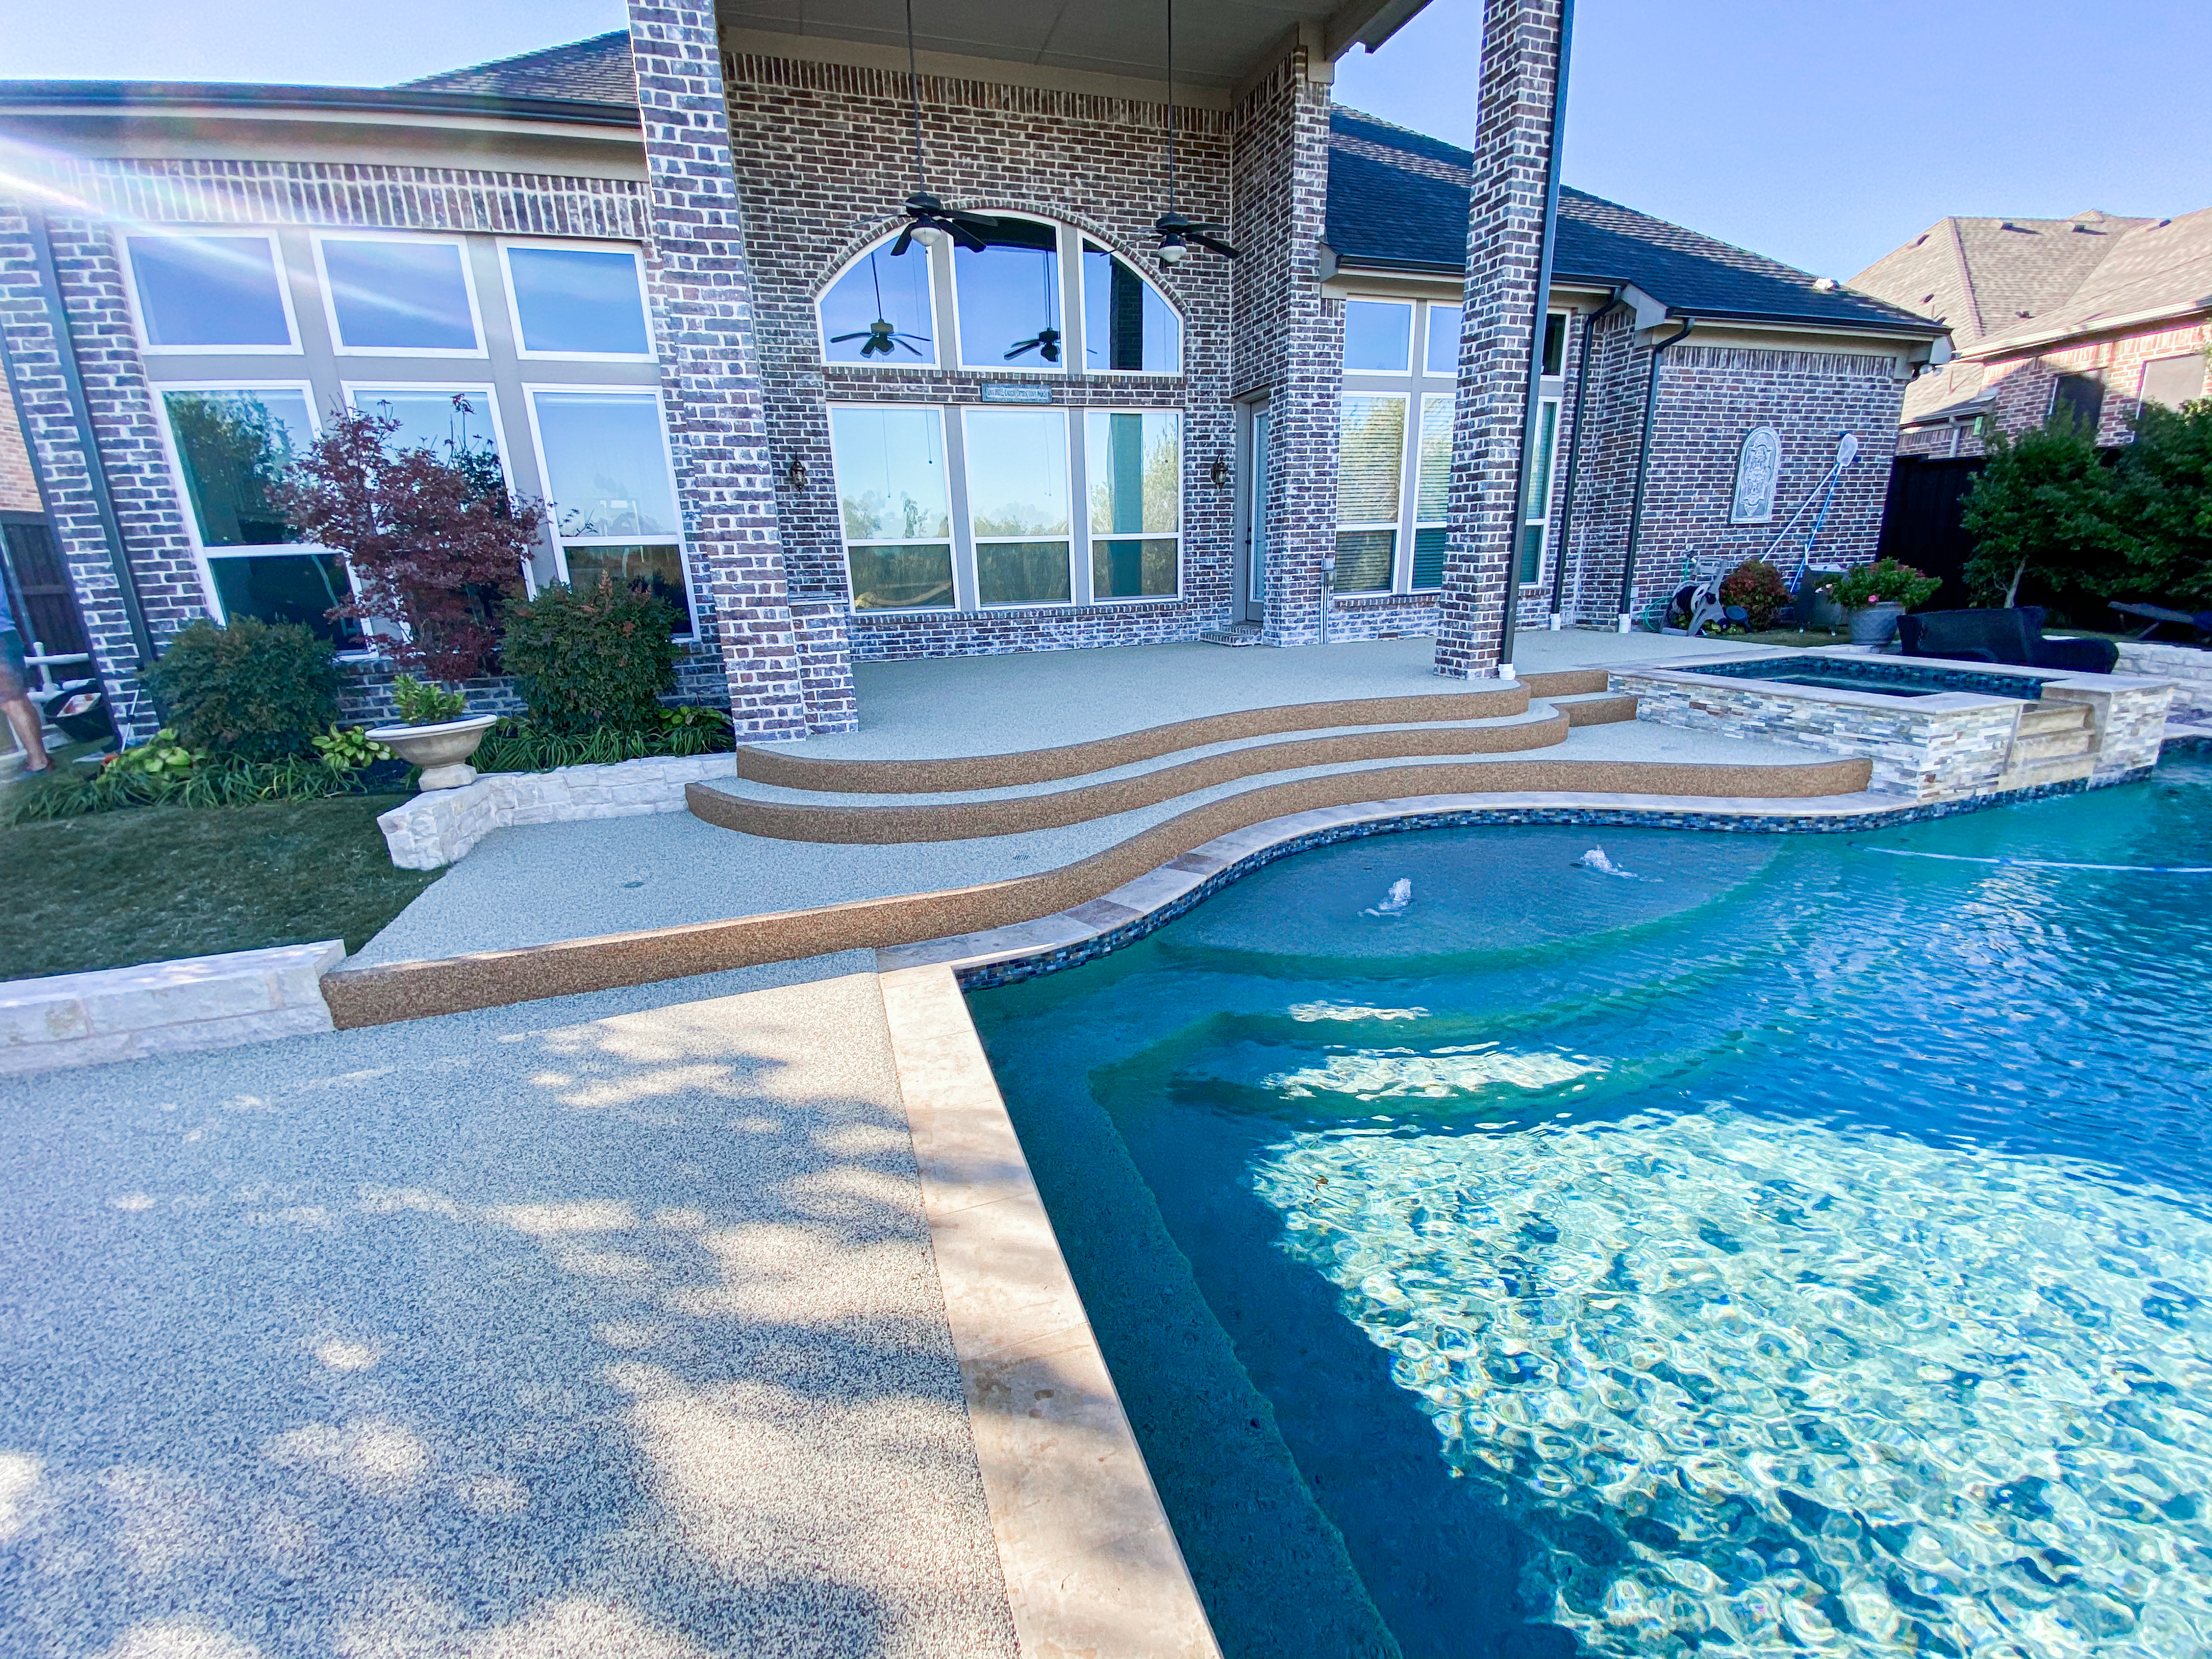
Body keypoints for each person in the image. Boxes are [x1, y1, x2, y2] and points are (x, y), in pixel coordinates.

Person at [0, 580, 51, 774]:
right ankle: (38, 758)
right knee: (19, 698)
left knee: (10, 702)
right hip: (7, 633)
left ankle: (39, 762)